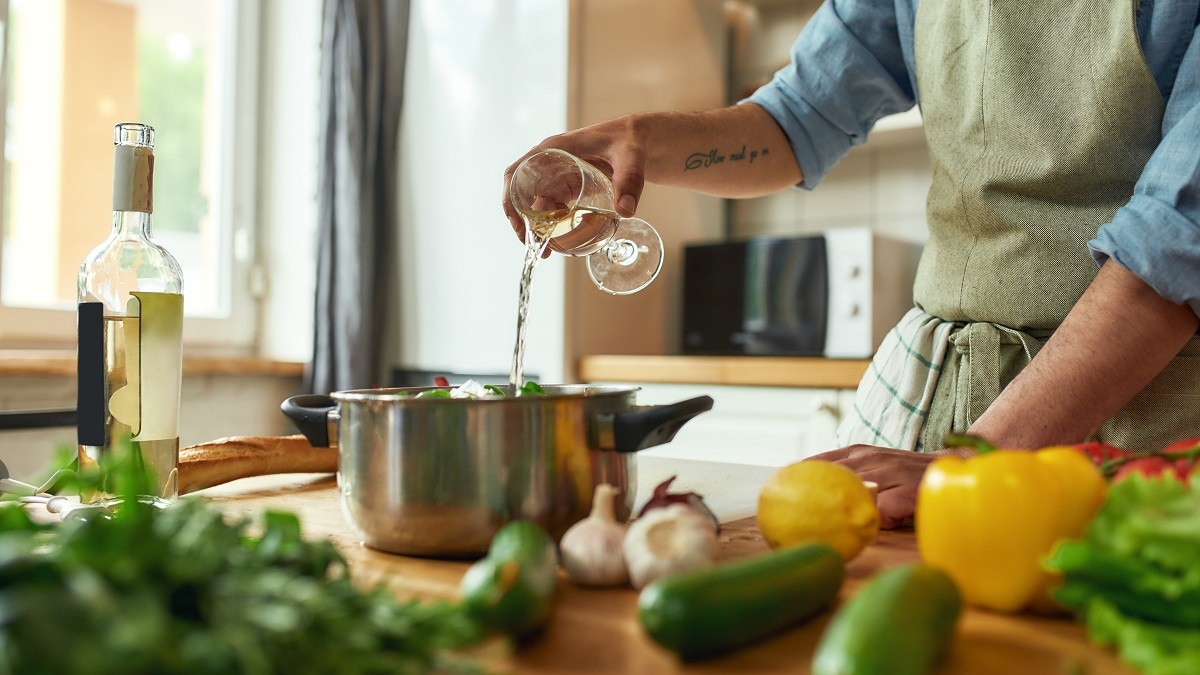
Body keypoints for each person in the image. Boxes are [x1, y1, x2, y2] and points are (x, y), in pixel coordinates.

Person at [503, 0, 1200, 528]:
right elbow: (799, 114)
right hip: (947, 408)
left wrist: (973, 461)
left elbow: (1174, 240)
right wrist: (640, 141)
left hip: (1130, 422)